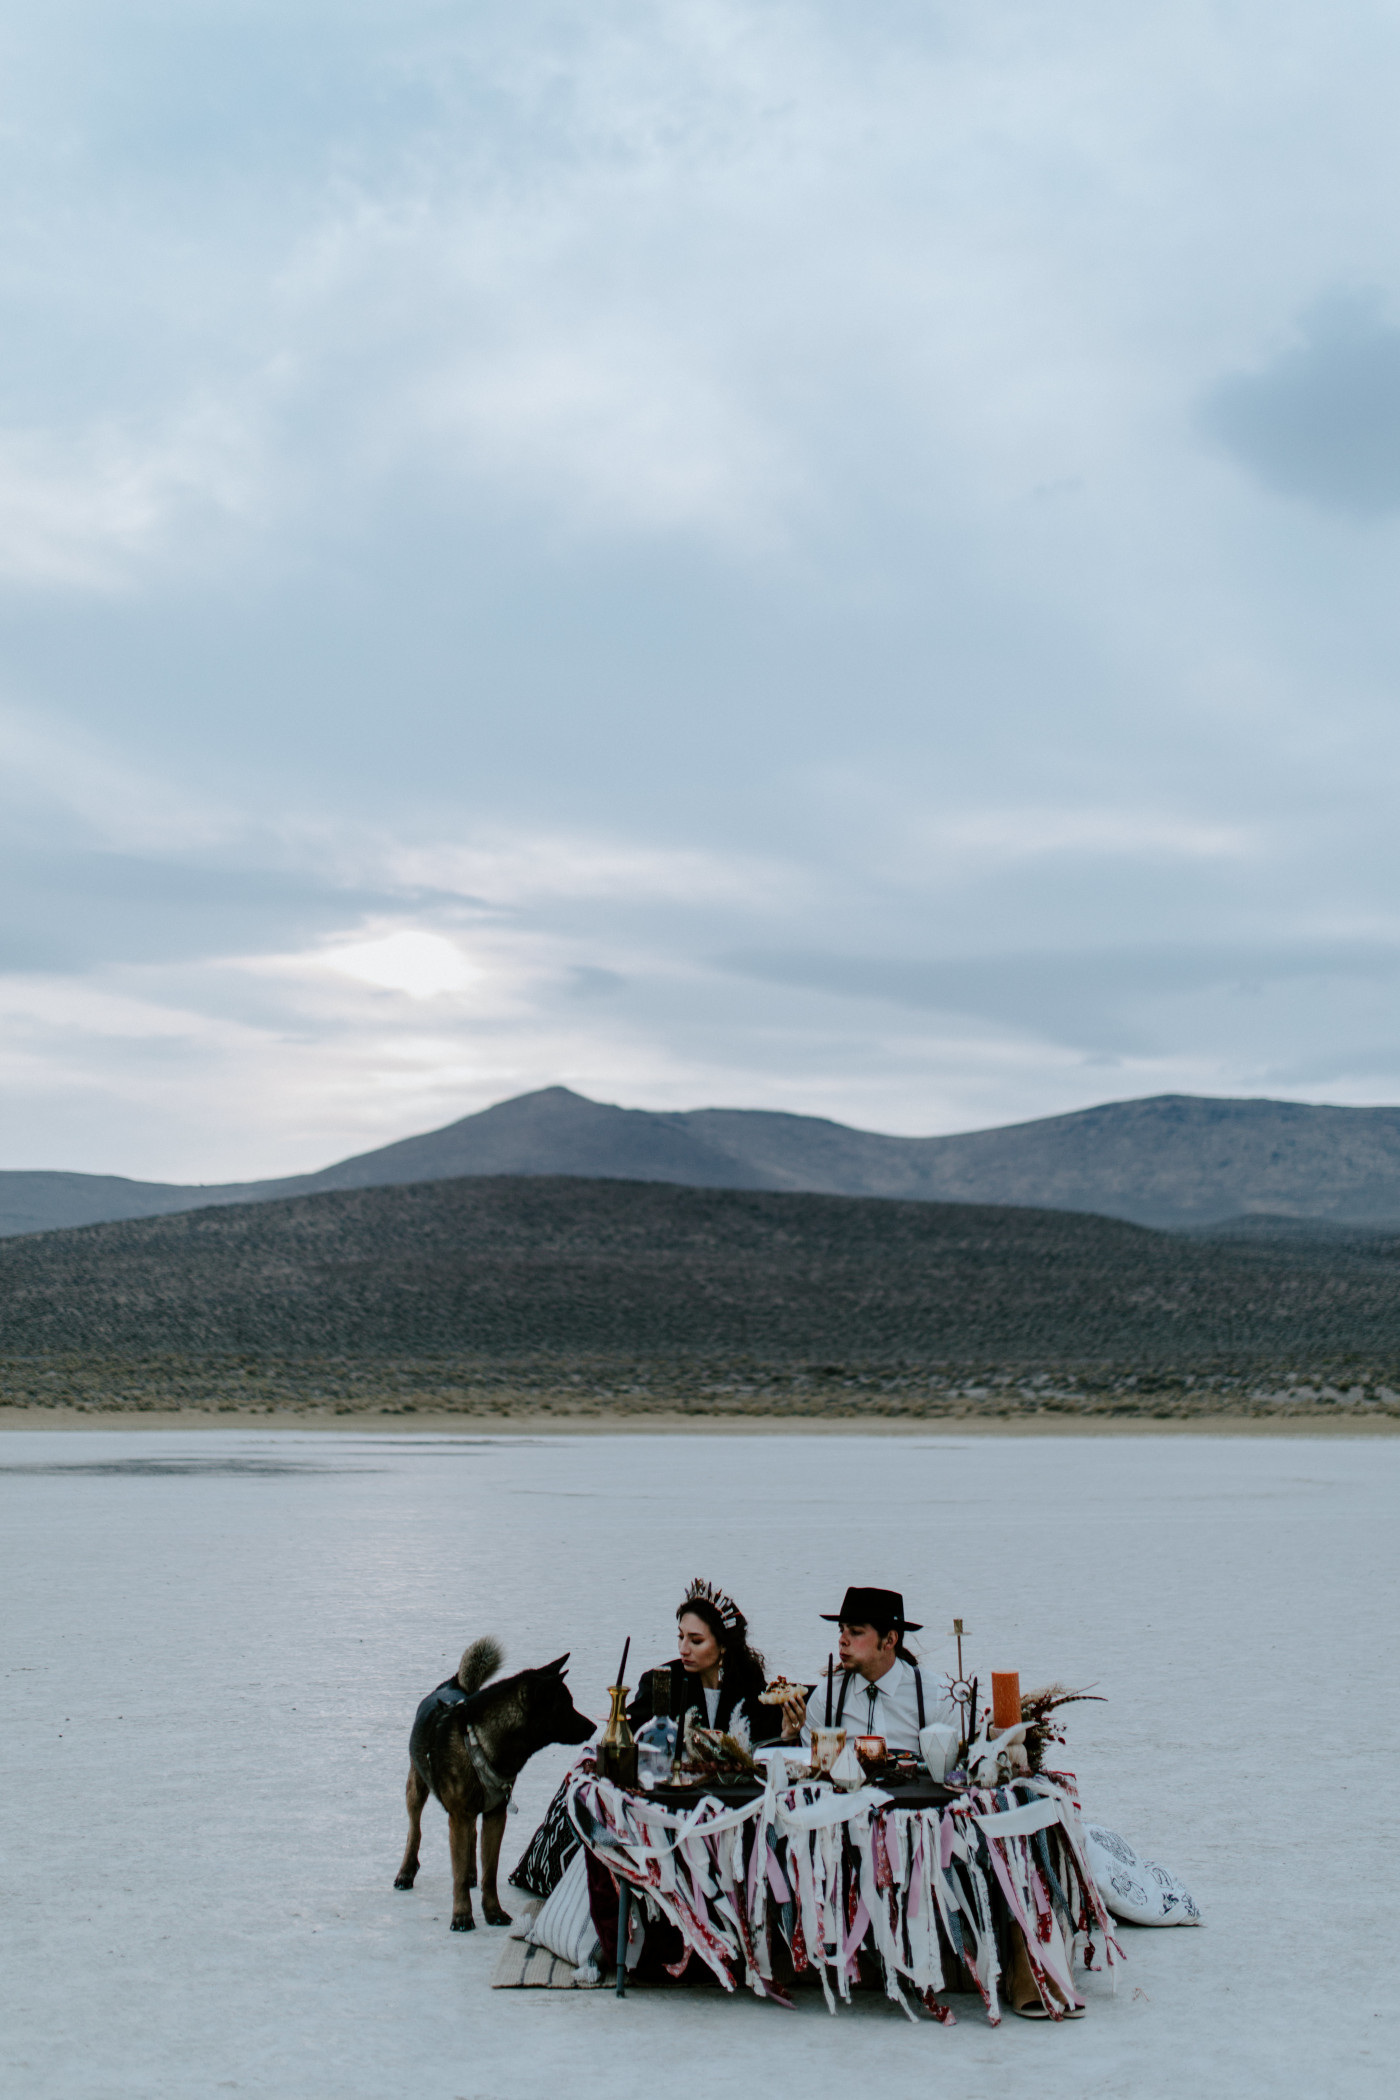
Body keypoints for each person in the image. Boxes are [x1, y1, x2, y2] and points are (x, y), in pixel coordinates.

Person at [783, 1585, 957, 1753]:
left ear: (889, 1640)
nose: (842, 1640)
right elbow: (809, 1768)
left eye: (855, 1632)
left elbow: (962, 1764)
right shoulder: (827, 1696)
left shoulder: (938, 1696)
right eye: (841, 1630)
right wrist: (789, 1738)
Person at [630, 1577, 784, 1747]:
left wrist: (788, 1733)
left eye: (696, 1641)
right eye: (681, 1637)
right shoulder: (661, 1682)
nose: (683, 1649)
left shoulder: (749, 1682)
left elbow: (764, 1744)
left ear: (723, 1645)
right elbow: (632, 1735)